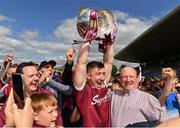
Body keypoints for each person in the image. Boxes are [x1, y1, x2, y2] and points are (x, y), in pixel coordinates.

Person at [0, 61, 63, 127]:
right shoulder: (12, 102)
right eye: (31, 76)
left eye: (37, 75)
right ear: (20, 79)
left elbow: (59, 121)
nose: (36, 78)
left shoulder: (47, 94)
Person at [73, 34, 114, 127]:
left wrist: (110, 41)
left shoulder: (103, 85)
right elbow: (81, 63)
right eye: (98, 74)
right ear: (88, 75)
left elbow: (109, 62)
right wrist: (88, 37)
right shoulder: (82, 90)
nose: (103, 78)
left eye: (103, 73)